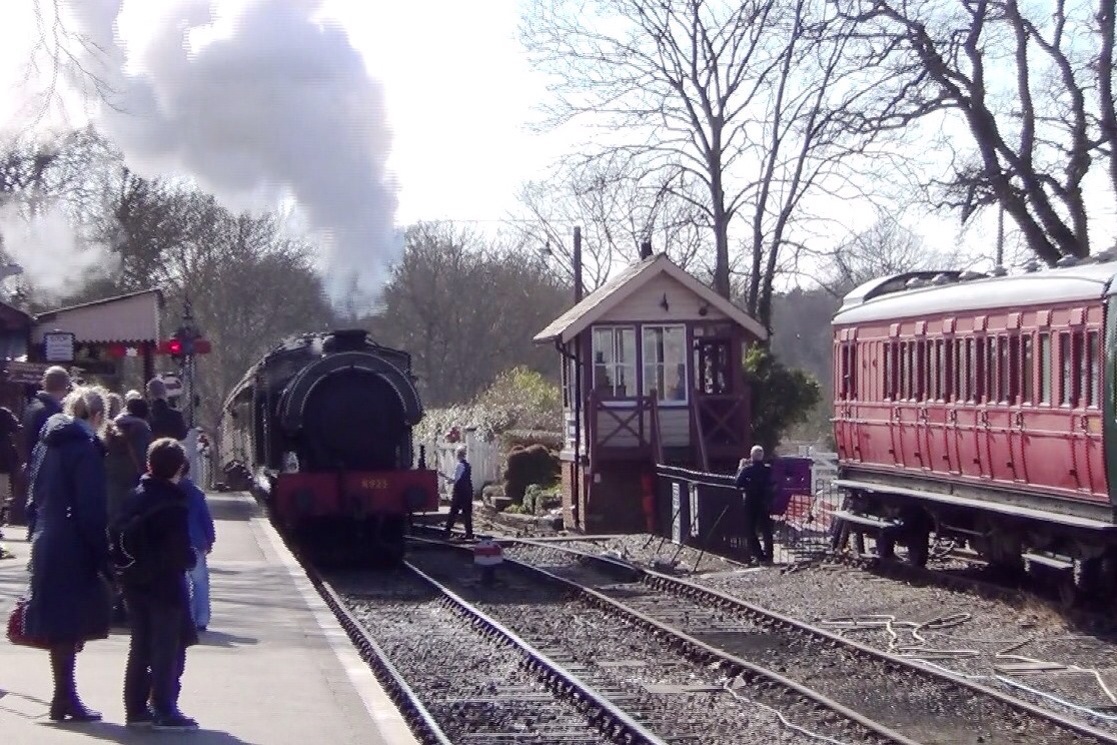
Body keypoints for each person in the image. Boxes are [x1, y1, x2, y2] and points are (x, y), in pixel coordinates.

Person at [23, 386, 112, 722]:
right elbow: (91, 507)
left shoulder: (47, 443)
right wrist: (101, 552)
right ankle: (65, 699)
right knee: (70, 623)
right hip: (72, 540)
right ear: (97, 415)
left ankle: (63, 697)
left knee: (59, 623)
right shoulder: (85, 447)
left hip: (47, 536)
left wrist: (36, 532)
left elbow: (32, 495)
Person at [111, 437, 198, 731]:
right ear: (179, 469)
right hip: (164, 584)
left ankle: (135, 709)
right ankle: (163, 707)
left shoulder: (133, 496)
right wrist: (189, 559)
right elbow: (180, 552)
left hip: (134, 582)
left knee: (140, 645)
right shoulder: (172, 504)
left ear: (149, 464)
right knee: (167, 646)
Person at [20, 366, 71, 533]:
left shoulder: (31, 407)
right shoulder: (51, 412)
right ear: (65, 386)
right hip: (47, 469)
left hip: (32, 463)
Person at [181, 461, 215, 631]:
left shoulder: (166, 491)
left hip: (175, 543)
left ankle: (186, 618)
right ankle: (201, 619)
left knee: (182, 583)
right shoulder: (196, 493)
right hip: (196, 543)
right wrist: (210, 539)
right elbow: (205, 519)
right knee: (200, 583)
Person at [734, 445, 775, 565]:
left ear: (751, 455)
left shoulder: (747, 470)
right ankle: (769, 555)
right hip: (764, 502)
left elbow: (737, 483)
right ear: (762, 456)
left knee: (750, 530)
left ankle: (759, 555)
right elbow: (773, 484)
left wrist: (740, 468)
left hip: (751, 502)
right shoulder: (768, 470)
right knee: (766, 530)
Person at [443, 445, 474, 540]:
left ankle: (447, 531)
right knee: (467, 513)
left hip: (460, 492)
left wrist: (446, 477)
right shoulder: (467, 465)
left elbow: (456, 479)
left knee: (453, 511)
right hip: (468, 491)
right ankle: (469, 532)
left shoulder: (459, 465)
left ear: (458, 455)